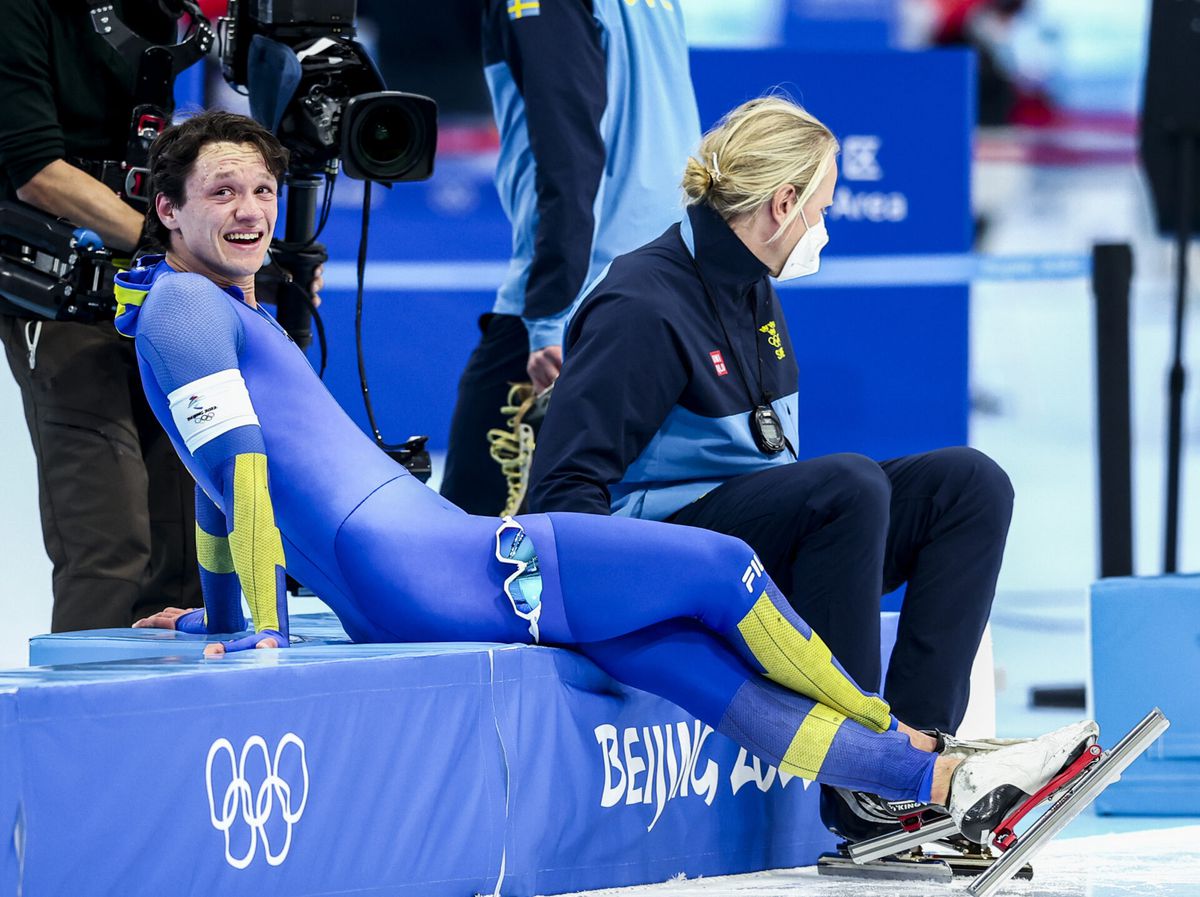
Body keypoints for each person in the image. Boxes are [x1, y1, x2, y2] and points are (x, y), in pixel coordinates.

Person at [121, 109, 1093, 847]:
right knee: (717, 576)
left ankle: (916, 793)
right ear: (166, 210)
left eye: (260, 191)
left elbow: (218, 485)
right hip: (441, 561)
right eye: (222, 194)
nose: (251, 212)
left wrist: (220, 612)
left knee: (675, 649)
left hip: (418, 562)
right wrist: (253, 637)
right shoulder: (185, 310)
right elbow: (238, 468)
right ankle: (915, 756)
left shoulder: (225, 315)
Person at [525, 96, 1015, 839]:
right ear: (782, 203)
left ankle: (917, 754)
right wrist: (622, 617)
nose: (823, 225)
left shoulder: (750, 283)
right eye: (820, 208)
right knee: (847, 485)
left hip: (747, 542)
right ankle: (861, 784)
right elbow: (559, 497)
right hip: (671, 564)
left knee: (969, 485)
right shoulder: (642, 304)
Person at [439, 0, 701, 515]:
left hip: (584, 287)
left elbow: (569, 156)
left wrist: (549, 320)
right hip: (673, 267)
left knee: (469, 528)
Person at [0, 0, 202, 631]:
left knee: (188, 550)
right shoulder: (22, 12)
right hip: (59, 287)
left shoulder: (163, 11)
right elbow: (36, 171)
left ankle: (180, 721)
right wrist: (171, 242)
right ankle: (84, 724)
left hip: (161, 289)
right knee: (109, 544)